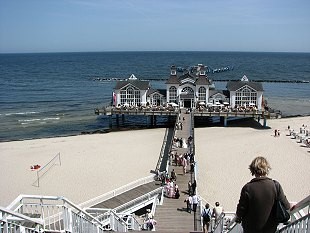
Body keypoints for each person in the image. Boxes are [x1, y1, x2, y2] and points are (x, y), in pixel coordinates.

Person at [235, 156, 290, 233]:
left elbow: (241, 210)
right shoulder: (275, 185)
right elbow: (286, 206)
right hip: (270, 228)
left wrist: (237, 218)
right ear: (266, 168)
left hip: (251, 229)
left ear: (253, 170)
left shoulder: (247, 188)